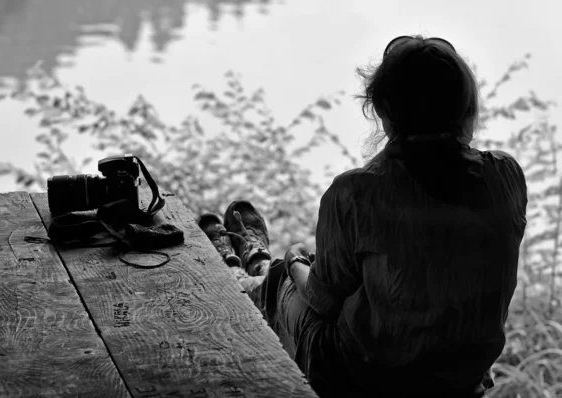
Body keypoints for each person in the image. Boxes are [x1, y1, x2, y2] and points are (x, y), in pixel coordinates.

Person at [197, 34, 527, 398]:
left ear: (383, 111)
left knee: (286, 281)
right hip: (462, 378)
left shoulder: (357, 192)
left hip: (362, 379)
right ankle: (253, 261)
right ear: (465, 107)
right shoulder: (505, 177)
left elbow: (324, 301)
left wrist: (293, 260)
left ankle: (243, 270)